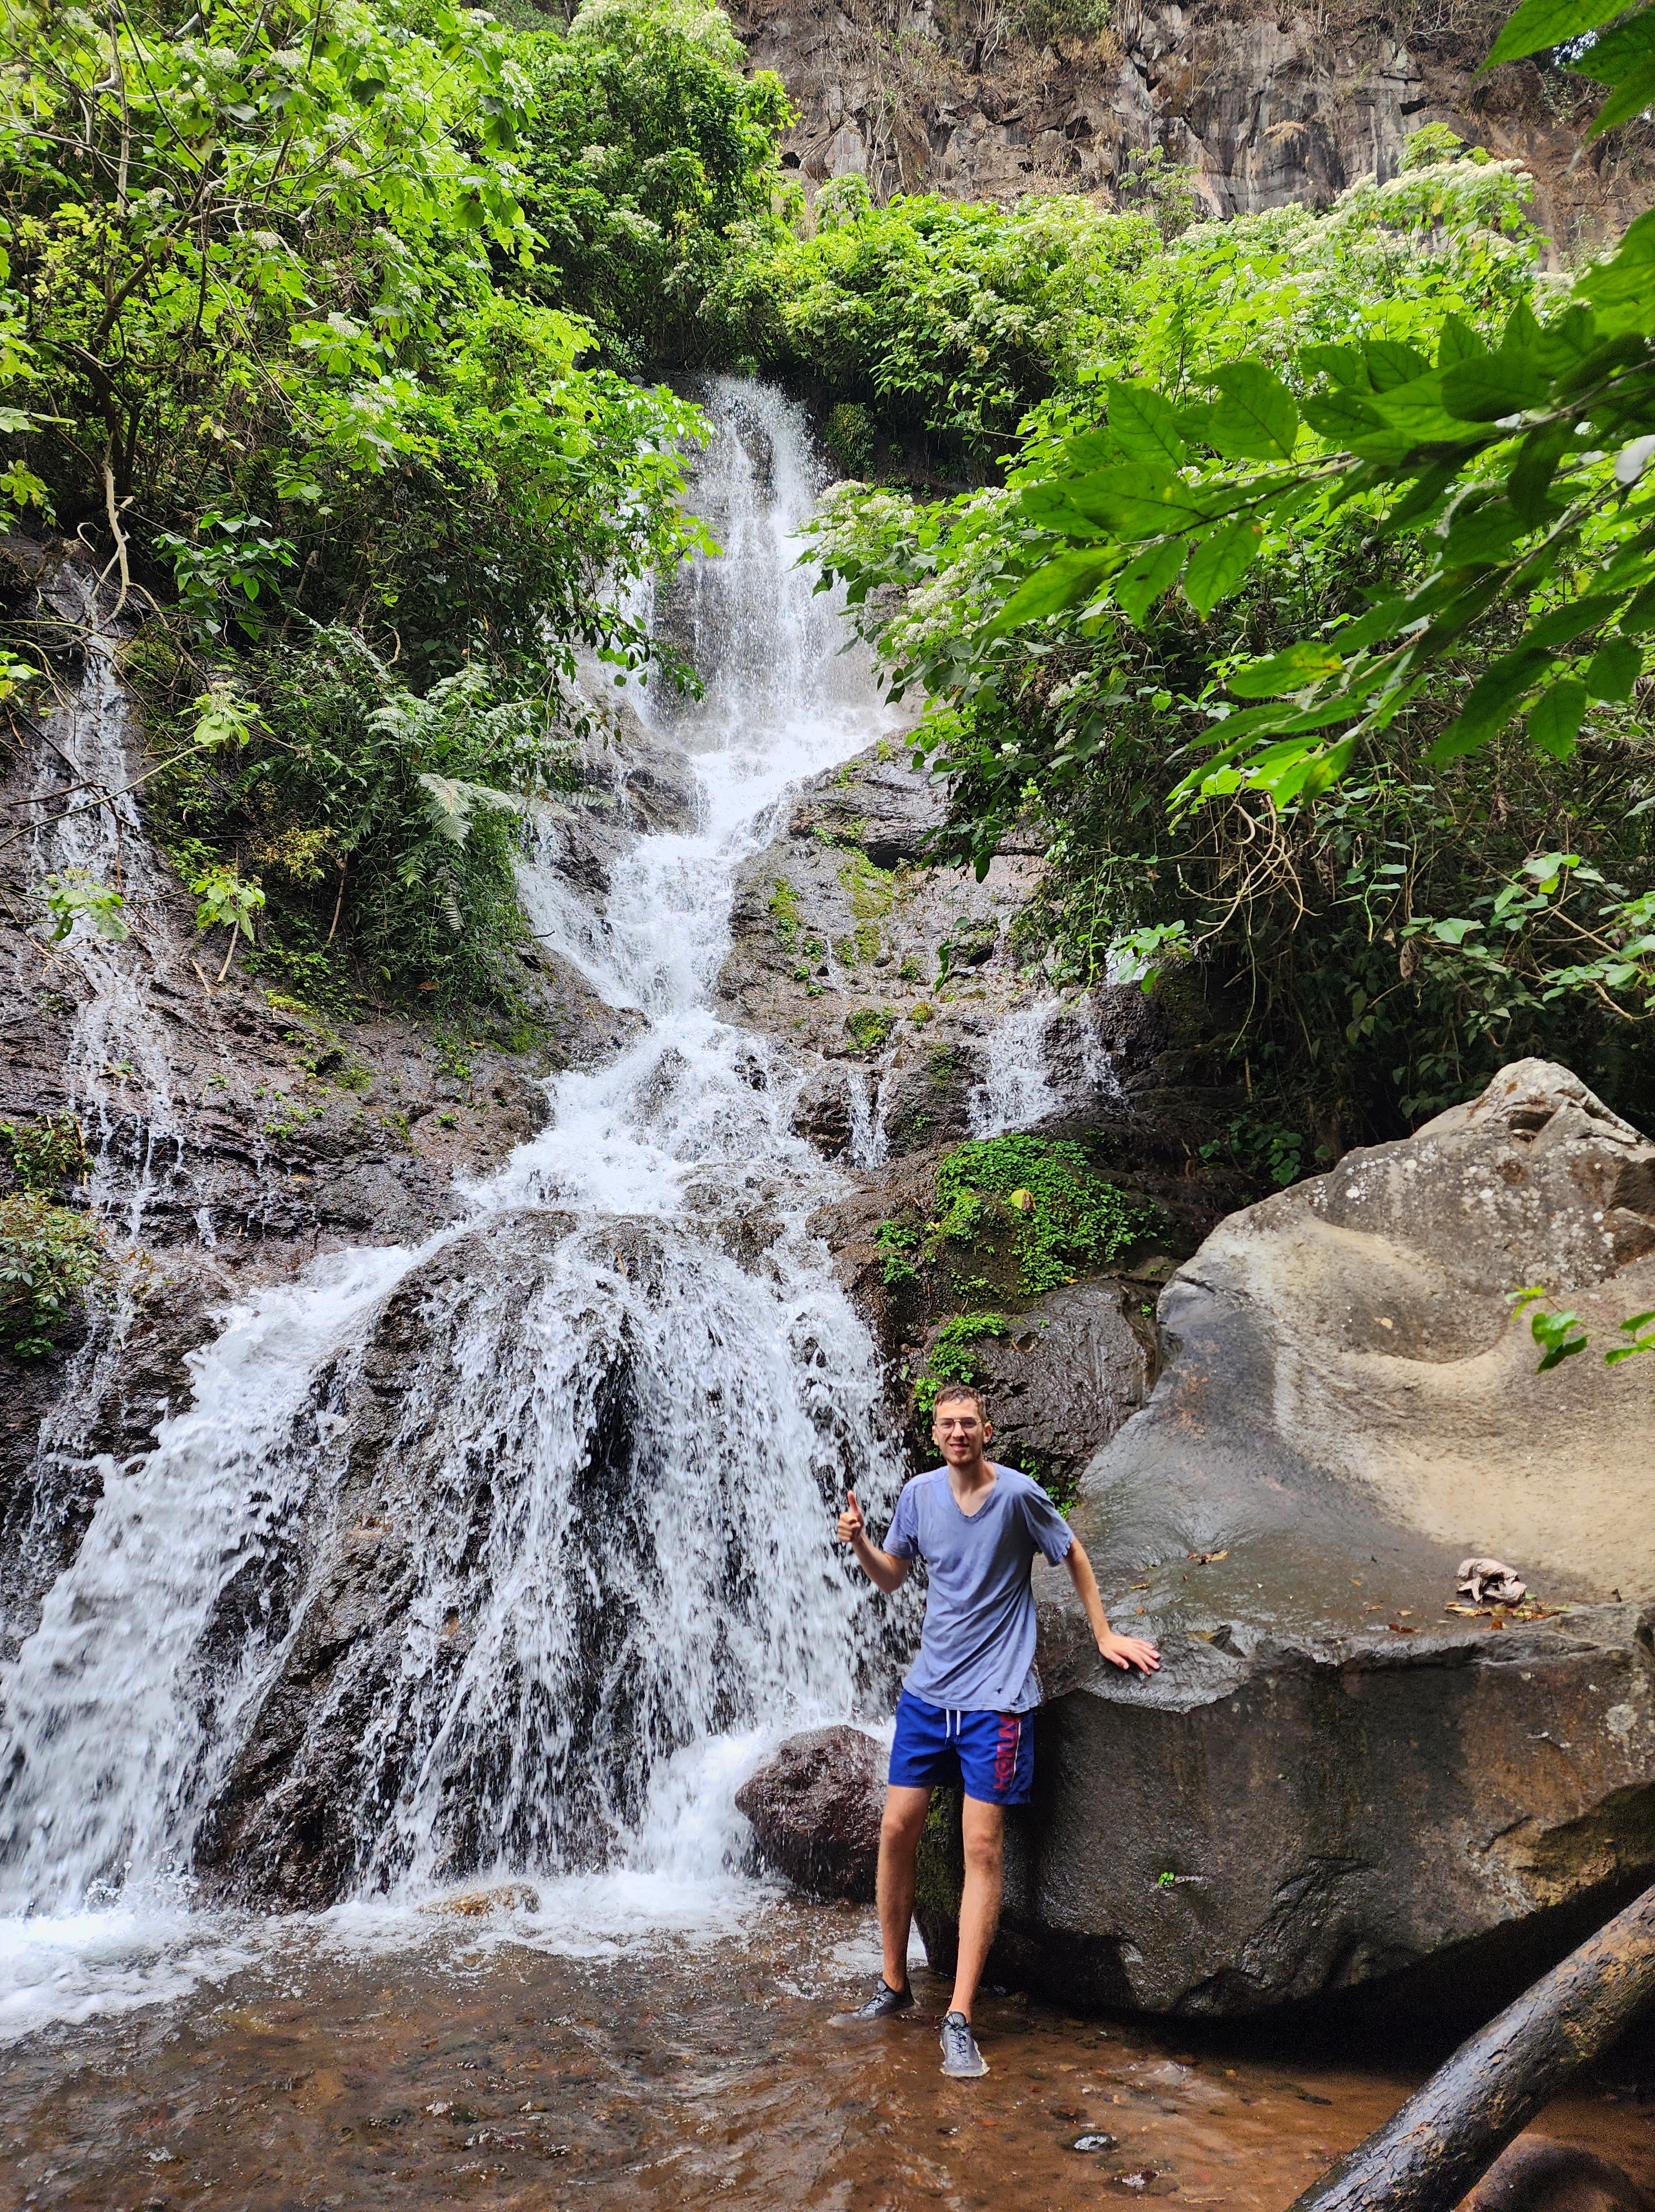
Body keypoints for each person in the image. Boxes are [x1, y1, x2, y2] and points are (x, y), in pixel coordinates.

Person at [835, 1381, 1160, 2079]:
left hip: (996, 1700)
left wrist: (1103, 1633)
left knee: (981, 1844)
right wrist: (861, 1541)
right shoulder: (919, 1495)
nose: (959, 1433)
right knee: (897, 1828)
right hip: (929, 1693)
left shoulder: (1018, 1495)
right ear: (935, 1431)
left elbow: (1070, 1551)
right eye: (947, 1424)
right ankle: (893, 1982)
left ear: (987, 1431)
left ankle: (958, 2016)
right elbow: (892, 1577)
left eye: (969, 1424)